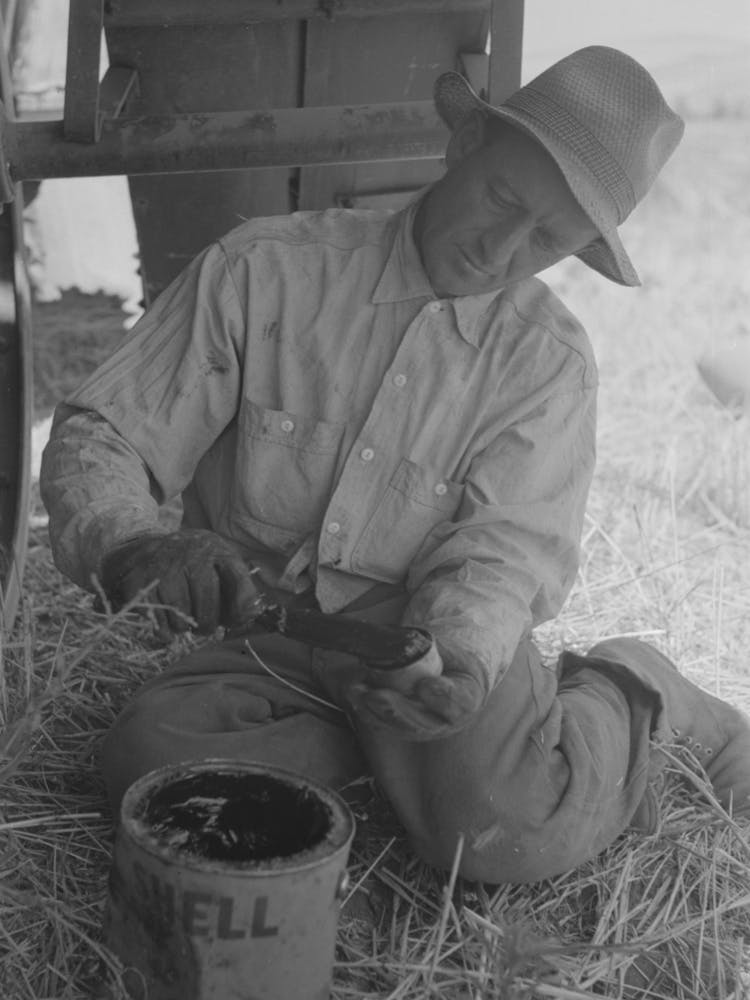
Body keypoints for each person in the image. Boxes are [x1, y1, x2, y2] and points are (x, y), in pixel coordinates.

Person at [41, 46, 750, 883]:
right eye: (502, 198)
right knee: (147, 764)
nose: (500, 249)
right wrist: (134, 542)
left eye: (549, 240)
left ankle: (637, 697)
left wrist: (453, 667)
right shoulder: (262, 270)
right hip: (271, 643)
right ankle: (398, 766)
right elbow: (103, 431)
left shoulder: (548, 365)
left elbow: (501, 554)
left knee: (504, 837)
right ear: (463, 149)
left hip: (425, 647)